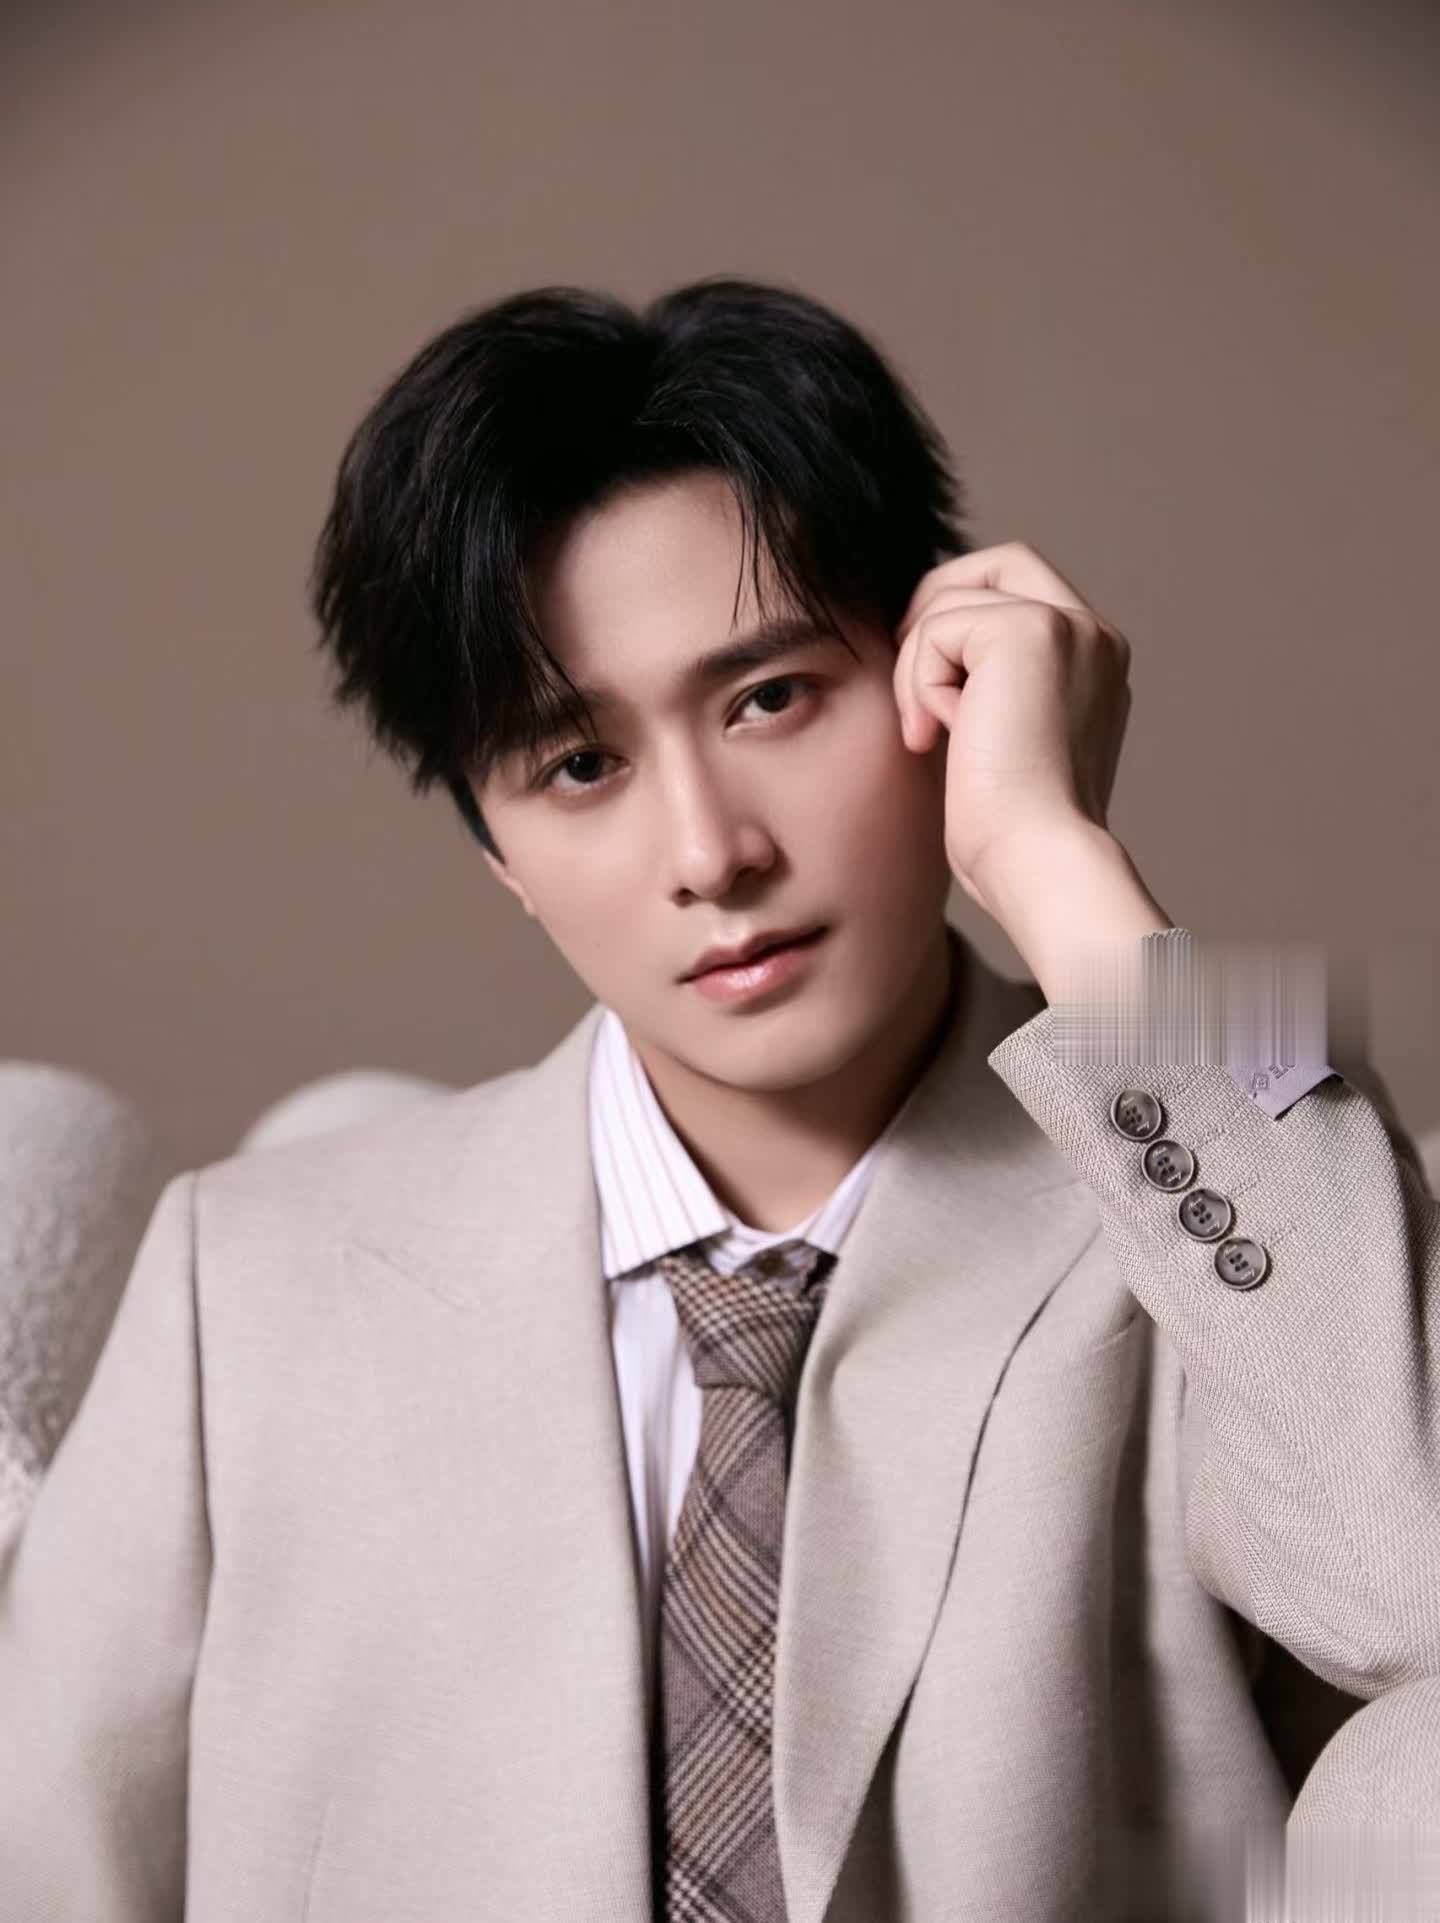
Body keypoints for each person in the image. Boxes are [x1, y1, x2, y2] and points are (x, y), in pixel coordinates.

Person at [2, 276, 1436, 1921]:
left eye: (771, 698)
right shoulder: (242, 1284)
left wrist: (1052, 851)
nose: (711, 854)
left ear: (940, 679)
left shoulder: (1221, 1196)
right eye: (580, 765)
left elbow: (1419, 1596)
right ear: (496, 848)